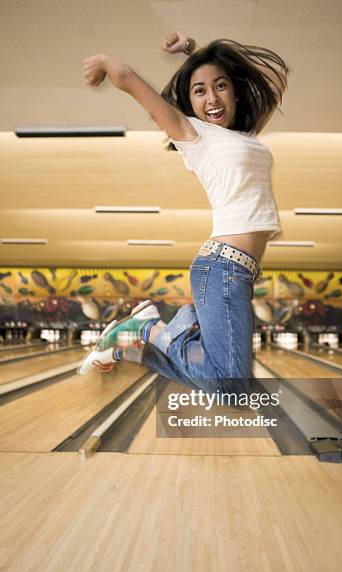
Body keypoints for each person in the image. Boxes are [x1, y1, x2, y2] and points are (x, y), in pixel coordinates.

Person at [79, 32, 289, 393]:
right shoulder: (193, 135)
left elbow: (273, 84)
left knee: (231, 386)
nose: (212, 98)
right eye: (200, 91)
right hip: (222, 267)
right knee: (229, 385)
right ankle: (146, 330)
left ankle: (132, 341)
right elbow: (129, 81)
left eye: (220, 86)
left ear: (235, 91)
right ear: (189, 102)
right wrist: (104, 61)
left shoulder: (245, 136)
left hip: (237, 273)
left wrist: (196, 53)